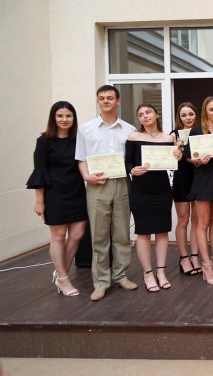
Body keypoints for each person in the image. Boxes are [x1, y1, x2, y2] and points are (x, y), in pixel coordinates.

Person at [76, 85, 138, 302]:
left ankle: (120, 276)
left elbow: (132, 159)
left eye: (110, 98)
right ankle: (101, 282)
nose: (105, 101)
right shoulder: (86, 129)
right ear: (97, 101)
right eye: (101, 98)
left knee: (122, 234)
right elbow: (81, 158)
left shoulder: (129, 129)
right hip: (97, 185)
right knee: (99, 235)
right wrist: (87, 176)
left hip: (122, 184)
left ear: (118, 101)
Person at [27, 101, 87, 296]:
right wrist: (40, 202)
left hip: (77, 192)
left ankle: (62, 274)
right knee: (59, 236)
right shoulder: (44, 141)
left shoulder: (79, 139)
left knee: (77, 234)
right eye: (60, 116)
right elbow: (40, 172)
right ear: (53, 118)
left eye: (68, 116)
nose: (64, 119)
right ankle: (63, 278)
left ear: (73, 118)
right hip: (55, 194)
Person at [125, 104, 181, 292]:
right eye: (140, 114)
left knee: (162, 231)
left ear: (156, 114)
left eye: (148, 112)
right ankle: (148, 273)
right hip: (140, 190)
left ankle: (161, 272)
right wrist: (132, 170)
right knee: (143, 232)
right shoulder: (133, 137)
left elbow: (173, 163)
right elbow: (127, 162)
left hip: (162, 188)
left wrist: (178, 155)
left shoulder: (169, 138)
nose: (145, 116)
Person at [187, 96, 213, 285]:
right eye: (212, 109)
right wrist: (197, 160)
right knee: (202, 224)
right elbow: (188, 157)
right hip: (203, 180)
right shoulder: (196, 131)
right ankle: (206, 265)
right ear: (205, 111)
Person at [169, 102, 201, 276]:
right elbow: (167, 161)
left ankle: (195, 256)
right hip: (181, 179)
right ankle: (183, 258)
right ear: (179, 118)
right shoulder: (173, 135)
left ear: (196, 115)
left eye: (191, 114)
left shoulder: (201, 133)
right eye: (184, 115)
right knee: (183, 220)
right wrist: (176, 149)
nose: (188, 118)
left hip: (198, 179)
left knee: (197, 220)